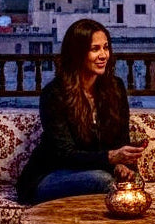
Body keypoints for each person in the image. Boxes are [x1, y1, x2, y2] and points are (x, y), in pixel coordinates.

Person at [17, 18, 144, 204]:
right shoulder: (55, 94)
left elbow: (120, 141)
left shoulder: (115, 87)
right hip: (50, 176)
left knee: (134, 184)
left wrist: (121, 166)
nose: (103, 55)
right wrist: (110, 158)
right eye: (95, 49)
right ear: (77, 54)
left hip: (95, 171)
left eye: (106, 47)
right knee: (102, 181)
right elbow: (65, 154)